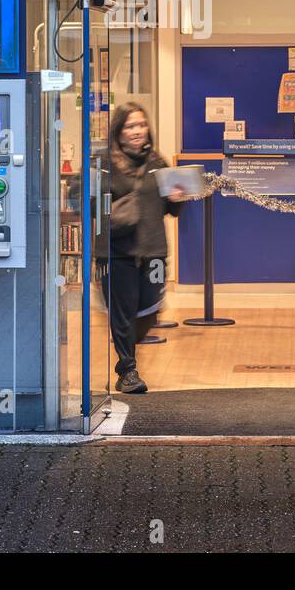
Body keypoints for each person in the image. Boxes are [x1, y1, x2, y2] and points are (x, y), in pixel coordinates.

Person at [101, 102, 186, 395]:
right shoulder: (104, 163)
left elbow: (171, 210)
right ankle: (127, 370)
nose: (138, 131)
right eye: (130, 126)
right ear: (118, 131)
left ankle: (127, 348)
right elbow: (85, 198)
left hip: (154, 251)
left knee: (151, 307)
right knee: (123, 314)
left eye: (141, 124)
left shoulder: (157, 163)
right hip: (117, 252)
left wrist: (177, 199)